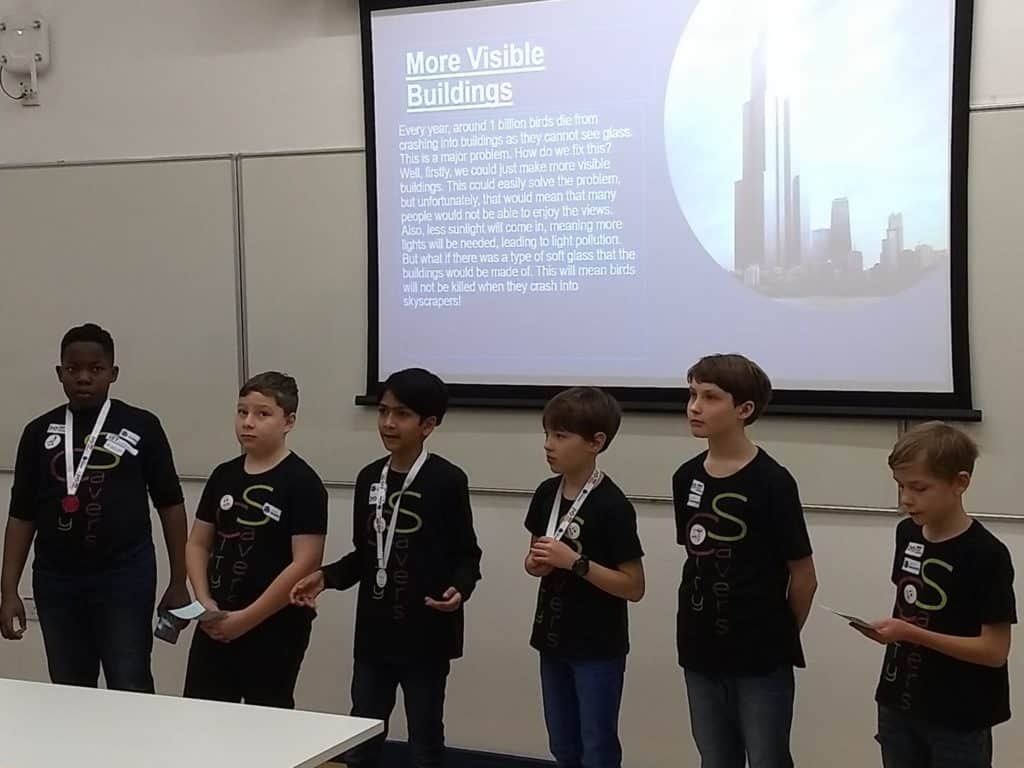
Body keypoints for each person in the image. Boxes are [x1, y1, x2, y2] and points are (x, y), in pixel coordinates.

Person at [291, 368, 482, 768]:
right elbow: (365, 555)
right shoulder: (369, 478)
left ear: (428, 424)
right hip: (375, 633)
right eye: (383, 411)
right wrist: (326, 577)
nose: (388, 423)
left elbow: (467, 554)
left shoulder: (447, 480)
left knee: (425, 740)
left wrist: (459, 589)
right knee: (362, 735)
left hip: (426, 633)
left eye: (402, 414)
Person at [1, 323, 189, 692]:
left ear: (113, 373)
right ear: (59, 373)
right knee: (69, 686)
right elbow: (21, 516)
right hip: (56, 579)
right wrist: (8, 591)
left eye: (96, 369)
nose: (84, 378)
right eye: (73, 369)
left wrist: (179, 581)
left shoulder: (142, 425)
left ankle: (135, 734)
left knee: (130, 679)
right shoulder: (38, 432)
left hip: (125, 575)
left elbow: (171, 506)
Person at [673, 354, 817, 768]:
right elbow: (696, 556)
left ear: (744, 409)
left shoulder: (773, 481)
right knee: (715, 757)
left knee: (768, 757)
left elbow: (804, 577)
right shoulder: (686, 477)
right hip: (700, 648)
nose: (695, 407)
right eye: (692, 395)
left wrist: (778, 635)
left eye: (710, 397)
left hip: (760, 655)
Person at [858, 421, 1016, 768]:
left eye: (919, 488)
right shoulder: (907, 534)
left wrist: (911, 633)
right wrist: (893, 632)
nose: (906, 499)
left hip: (959, 715)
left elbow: (994, 651)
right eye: (900, 486)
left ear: (960, 482)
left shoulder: (986, 554)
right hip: (898, 701)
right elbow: (909, 608)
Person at [182, 371, 327, 708]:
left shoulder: (302, 482)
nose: (248, 422)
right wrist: (205, 601)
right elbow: (198, 543)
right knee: (202, 715)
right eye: (242, 412)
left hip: (273, 625)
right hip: (216, 620)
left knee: (267, 719)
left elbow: (305, 561)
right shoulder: (224, 475)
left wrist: (245, 620)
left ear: (288, 421)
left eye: (263, 414)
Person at [524, 386, 645, 768]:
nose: (549, 444)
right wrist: (536, 564)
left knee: (597, 746)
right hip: (552, 637)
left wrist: (575, 563)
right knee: (562, 743)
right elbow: (534, 556)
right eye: (547, 434)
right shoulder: (547, 494)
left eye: (561, 436)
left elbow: (634, 586)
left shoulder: (612, 505)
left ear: (596, 442)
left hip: (598, 646)